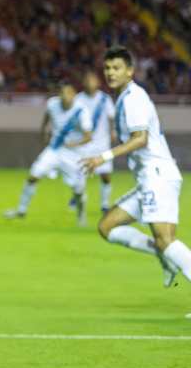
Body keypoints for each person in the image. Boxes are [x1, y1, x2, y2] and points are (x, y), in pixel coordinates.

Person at [81, 46, 190, 292]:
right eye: (107, 68)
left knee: (166, 240)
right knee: (107, 227)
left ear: (130, 71)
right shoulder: (125, 97)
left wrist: (103, 156)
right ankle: (164, 256)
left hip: (157, 177)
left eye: (116, 68)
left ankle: (166, 254)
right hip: (149, 179)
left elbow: (140, 138)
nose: (110, 73)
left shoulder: (134, 98)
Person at [4, 81, 92, 225]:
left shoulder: (81, 110)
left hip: (74, 154)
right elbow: (47, 117)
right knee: (33, 175)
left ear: (74, 95)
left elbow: (89, 136)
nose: (66, 97)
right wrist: (43, 132)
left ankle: (81, 214)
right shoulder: (52, 104)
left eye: (69, 93)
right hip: (54, 150)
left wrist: (73, 144)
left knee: (78, 189)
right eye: (63, 93)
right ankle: (21, 211)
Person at [74, 70, 117, 215]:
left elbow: (111, 117)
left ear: (98, 82)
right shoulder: (78, 99)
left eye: (93, 80)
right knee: (80, 173)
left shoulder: (105, 99)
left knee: (105, 175)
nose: (90, 82)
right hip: (84, 143)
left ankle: (105, 204)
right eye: (87, 80)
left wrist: (112, 131)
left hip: (102, 143)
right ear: (83, 83)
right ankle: (77, 198)